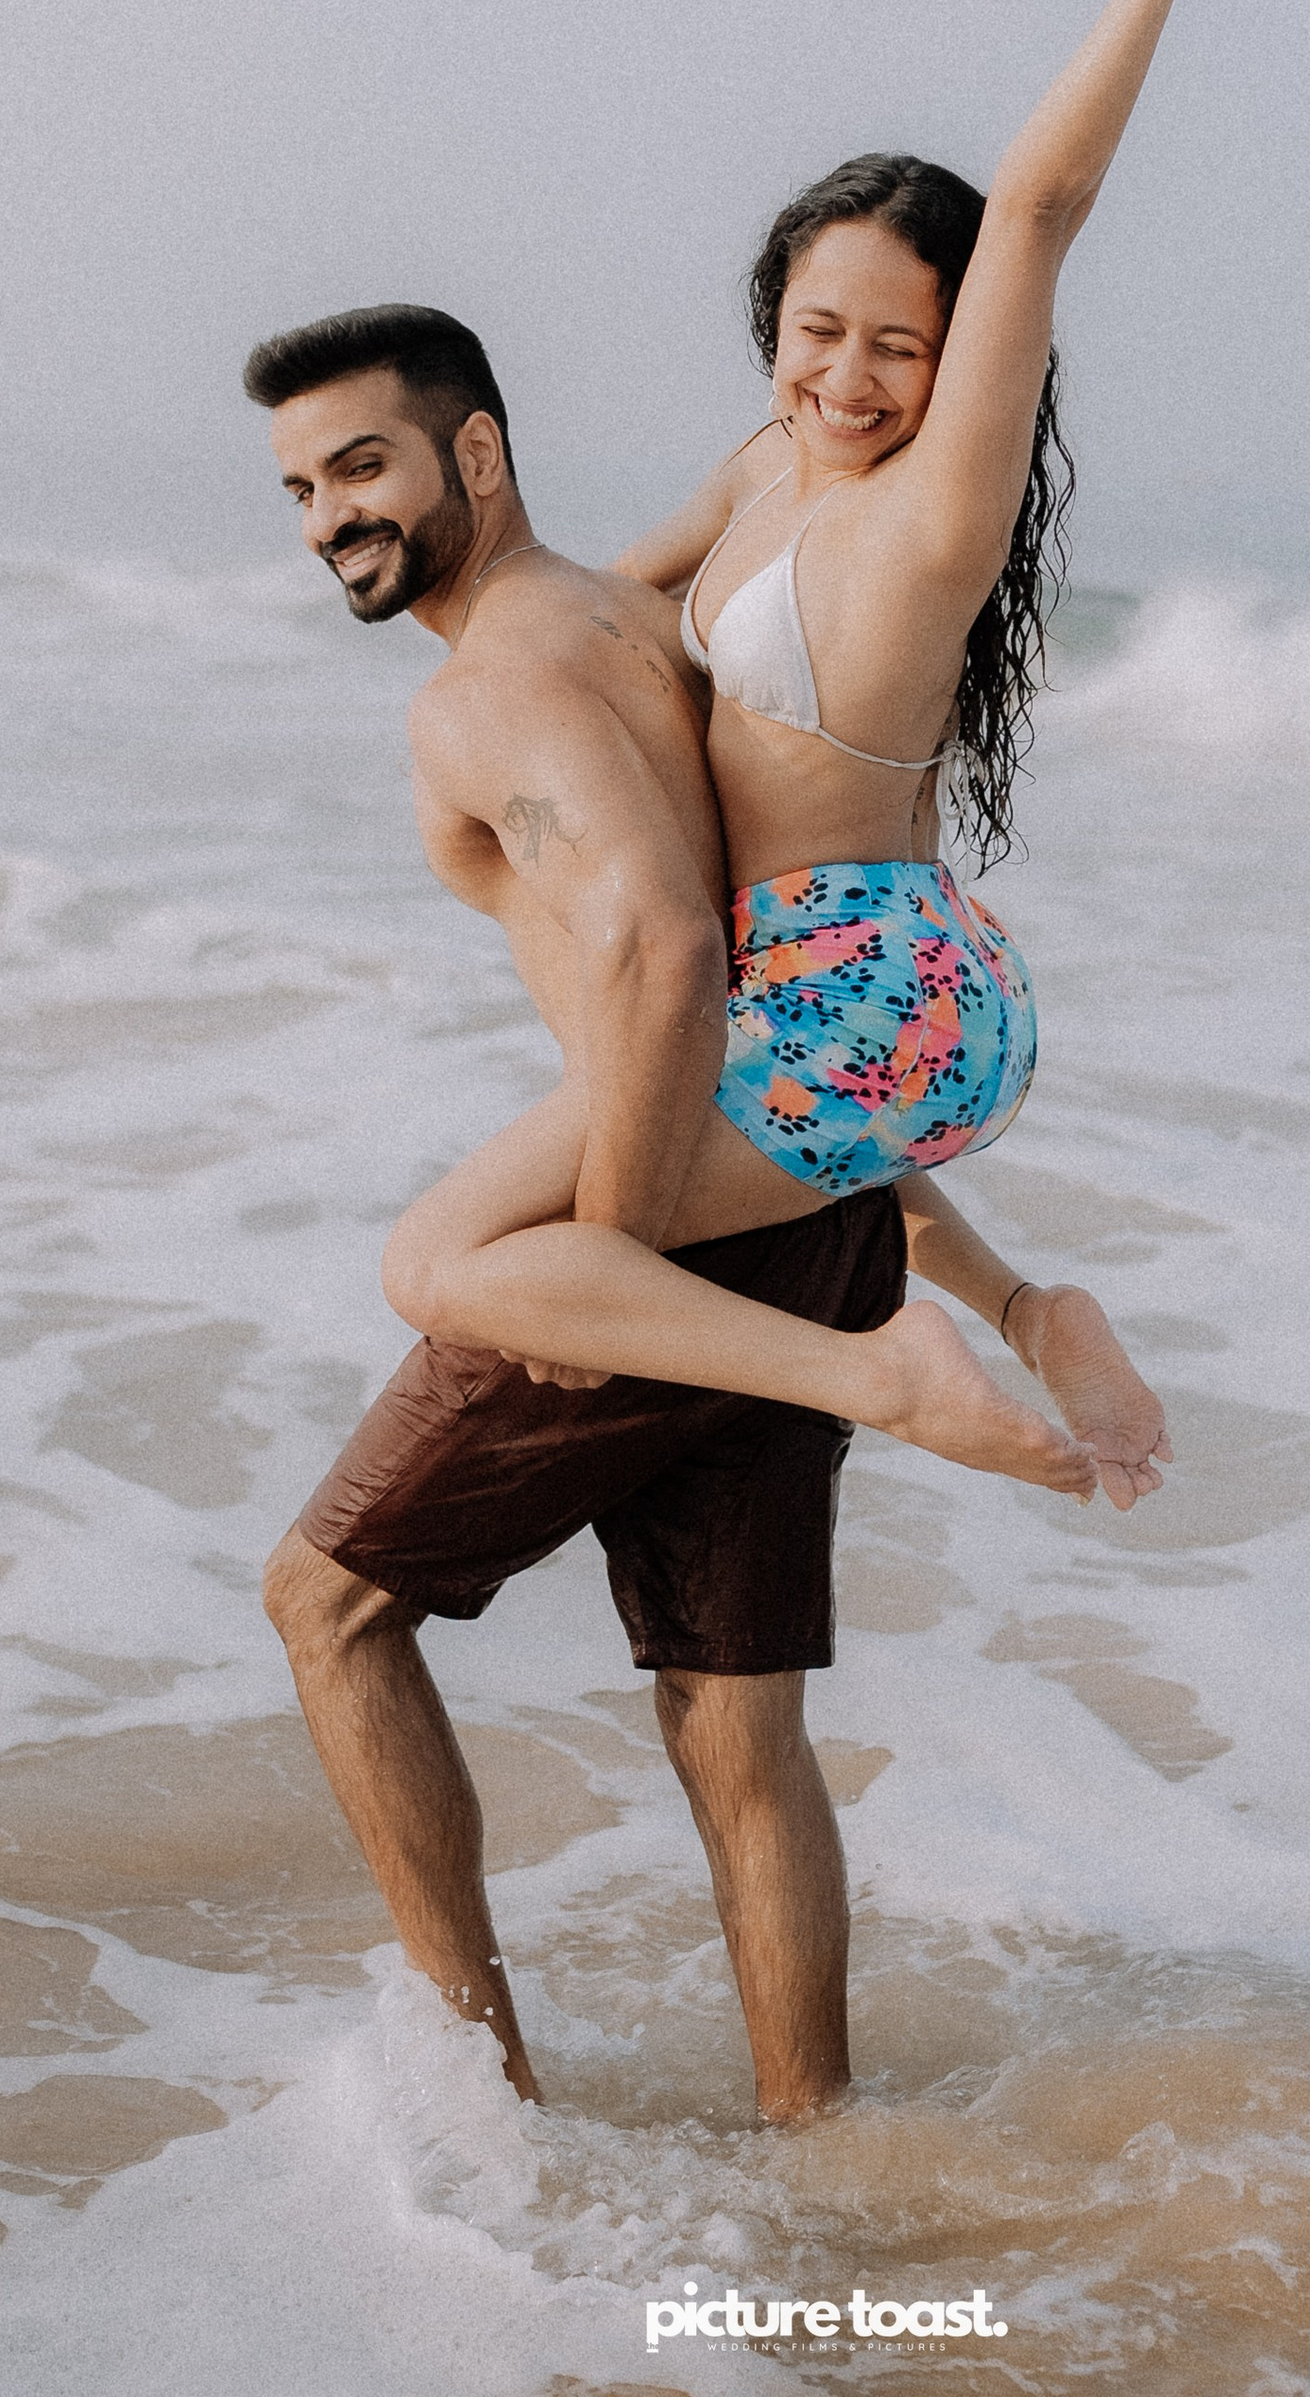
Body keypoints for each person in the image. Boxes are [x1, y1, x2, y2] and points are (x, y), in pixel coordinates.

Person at [372, 0, 1310, 1444]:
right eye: (818, 328)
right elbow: (603, 602)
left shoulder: (926, 522)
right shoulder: (771, 464)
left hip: (871, 987)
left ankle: (883, 1374)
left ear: (952, 361)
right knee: (618, 982)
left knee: (449, 1257)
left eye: (898, 347)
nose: (847, 375)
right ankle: (1031, 1311)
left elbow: (1038, 205)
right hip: (845, 980)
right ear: (778, 313)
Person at [254, 306, 1154, 2117]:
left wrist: (619, 1238)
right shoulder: (629, 611)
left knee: (331, 1604)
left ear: (477, 458)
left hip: (661, 1216)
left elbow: (668, 948)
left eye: (364, 465)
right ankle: (817, 2144)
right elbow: (763, 491)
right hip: (811, 1207)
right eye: (297, 486)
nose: (327, 517)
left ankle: (482, 2111)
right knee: (739, 1731)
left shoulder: (483, 693)